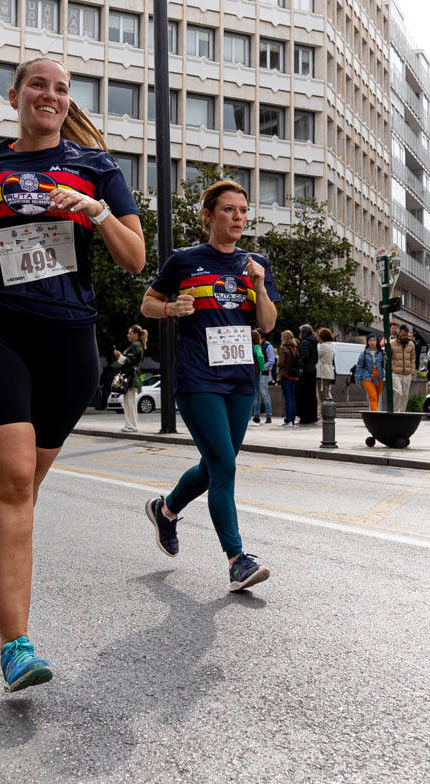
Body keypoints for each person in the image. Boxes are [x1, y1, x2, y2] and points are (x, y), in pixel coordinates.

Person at [0, 57, 145, 692]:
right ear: (15, 96)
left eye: (60, 89)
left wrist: (95, 210)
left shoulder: (96, 168)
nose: (48, 96)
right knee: (14, 482)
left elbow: (135, 259)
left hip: (67, 337)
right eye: (37, 85)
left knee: (25, 487)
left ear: (66, 102)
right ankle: (16, 644)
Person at [140, 179, 279, 591]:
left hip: (240, 379)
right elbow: (147, 302)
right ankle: (237, 560)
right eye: (229, 210)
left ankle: (165, 510)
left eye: (242, 210)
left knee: (215, 464)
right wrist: (171, 307)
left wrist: (257, 283)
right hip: (197, 377)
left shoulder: (254, 264)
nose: (238, 217)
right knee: (224, 466)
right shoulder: (184, 261)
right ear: (209, 216)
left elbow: (268, 323)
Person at [114, 324, 146, 432]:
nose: (128, 335)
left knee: (129, 401)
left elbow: (129, 361)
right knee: (129, 401)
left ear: (136, 334)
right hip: (132, 376)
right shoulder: (136, 345)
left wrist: (120, 356)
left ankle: (132, 425)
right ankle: (130, 425)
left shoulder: (136, 345)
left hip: (131, 376)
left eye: (130, 333)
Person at [354, 334, 386, 411]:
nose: (372, 342)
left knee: (377, 396)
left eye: (374, 340)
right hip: (367, 377)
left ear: (377, 342)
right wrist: (357, 380)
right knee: (373, 396)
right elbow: (359, 367)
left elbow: (384, 364)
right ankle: (375, 414)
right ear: (368, 342)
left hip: (379, 376)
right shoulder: (364, 353)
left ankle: (373, 411)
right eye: (370, 340)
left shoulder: (381, 352)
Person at [250, 329, 274, 424]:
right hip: (257, 373)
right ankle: (256, 416)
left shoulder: (268, 346)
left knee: (265, 395)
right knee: (256, 396)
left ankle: (268, 416)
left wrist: (262, 368)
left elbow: (271, 360)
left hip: (263, 374)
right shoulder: (256, 346)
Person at [390, 325, 416, 412]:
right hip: (395, 373)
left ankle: (402, 413)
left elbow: (413, 358)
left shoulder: (411, 344)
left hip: (407, 373)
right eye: (402, 334)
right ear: (399, 332)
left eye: (406, 335)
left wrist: (412, 369)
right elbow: (387, 357)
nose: (404, 336)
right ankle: (396, 413)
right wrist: (391, 368)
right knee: (398, 392)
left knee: (405, 395)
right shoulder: (392, 343)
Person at [296, 323, 319, 423]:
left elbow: (304, 357)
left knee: (303, 395)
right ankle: (312, 416)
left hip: (305, 371)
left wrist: (298, 363)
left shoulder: (305, 342)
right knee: (311, 395)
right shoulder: (314, 342)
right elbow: (315, 358)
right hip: (313, 370)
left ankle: (305, 417)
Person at [276, 329, 299, 427]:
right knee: (292, 397)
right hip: (294, 375)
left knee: (287, 398)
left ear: (284, 338)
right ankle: (292, 419)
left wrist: (278, 363)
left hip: (285, 374)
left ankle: (288, 419)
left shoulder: (283, 349)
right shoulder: (295, 348)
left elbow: (281, 363)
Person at [315, 327, 335, 401]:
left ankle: (325, 412)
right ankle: (329, 411)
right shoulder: (331, 345)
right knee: (327, 394)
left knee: (322, 396)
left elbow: (316, 356)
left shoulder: (323, 346)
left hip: (322, 373)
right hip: (329, 372)